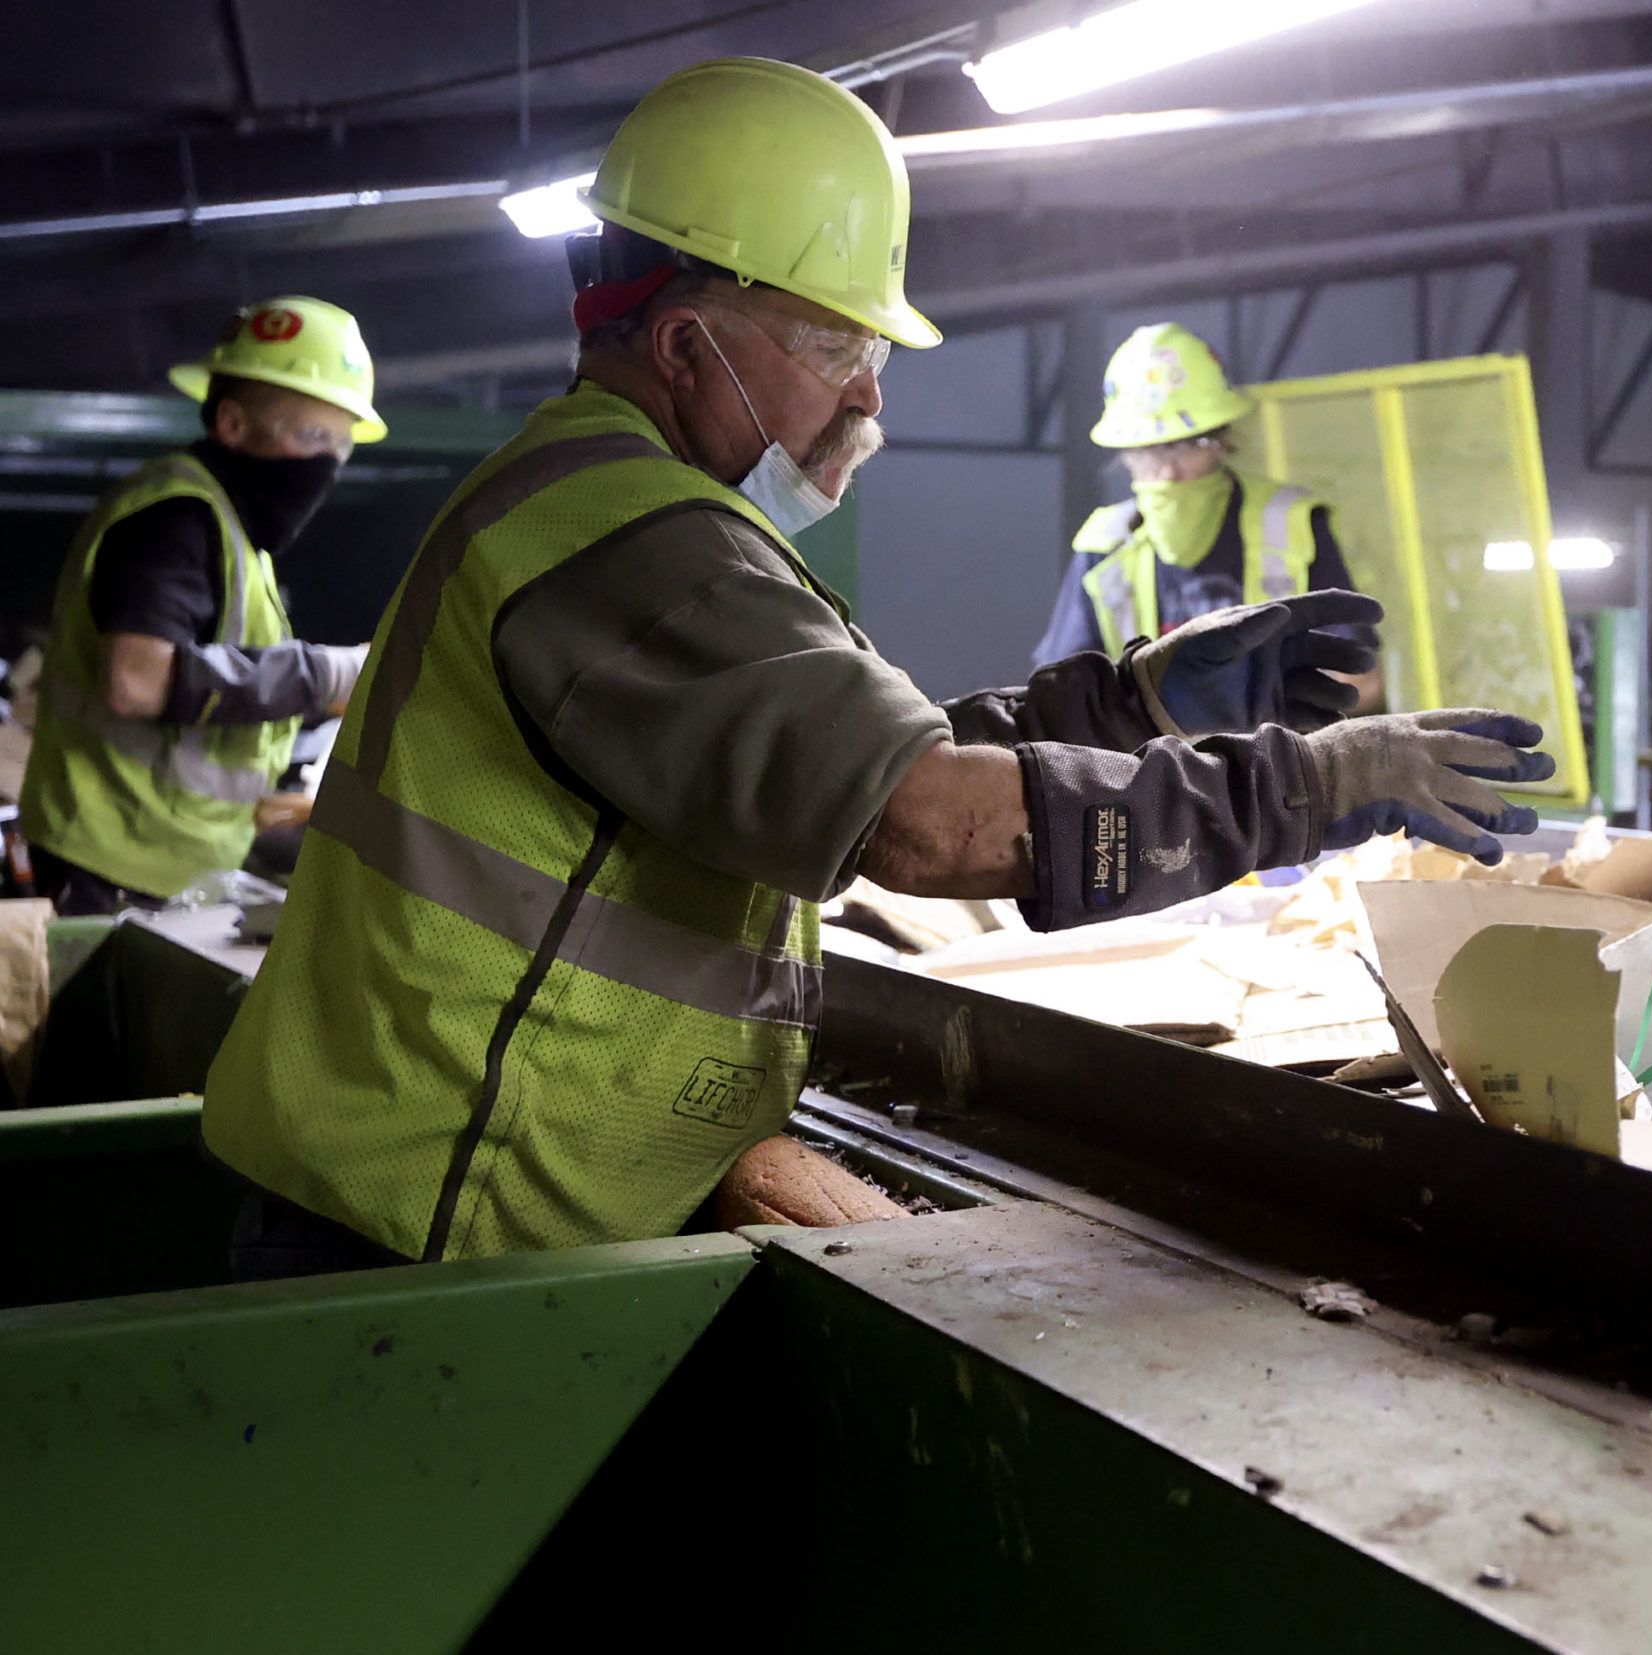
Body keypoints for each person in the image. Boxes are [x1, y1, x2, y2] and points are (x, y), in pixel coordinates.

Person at [201, 57, 1551, 1278]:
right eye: (840, 347)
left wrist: (1133, 699)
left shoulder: (595, 503)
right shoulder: (636, 538)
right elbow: (921, 823)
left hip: (421, 1188)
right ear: (686, 344)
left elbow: (836, 766)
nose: (870, 398)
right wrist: (1311, 785)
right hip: (425, 1234)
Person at [17, 298, 377, 914]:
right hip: (110, 860)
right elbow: (136, 679)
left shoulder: (236, 533)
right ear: (232, 424)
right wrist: (330, 673)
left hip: (169, 859)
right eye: (311, 435)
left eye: (339, 446)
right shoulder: (175, 515)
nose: (325, 462)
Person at [1036, 322, 1380, 712]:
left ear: (1221, 441)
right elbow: (1061, 699)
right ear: (1123, 453)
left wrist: (1256, 718)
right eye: (1147, 451)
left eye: (1186, 446)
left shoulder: (1290, 524)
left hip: (1276, 764)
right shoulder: (1104, 547)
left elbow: (1360, 683)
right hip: (1155, 768)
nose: (1167, 472)